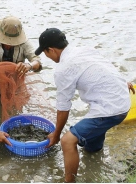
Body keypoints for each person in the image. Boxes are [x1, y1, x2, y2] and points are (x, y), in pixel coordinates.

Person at [35, 28, 135, 182]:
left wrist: (56, 135)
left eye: (45, 53)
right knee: (91, 146)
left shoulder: (63, 69)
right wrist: (122, 83)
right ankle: (95, 160)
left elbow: (63, 108)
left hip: (112, 109)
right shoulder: (85, 50)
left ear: (51, 50)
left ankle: (69, 181)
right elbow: (106, 68)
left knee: (67, 141)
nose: (47, 57)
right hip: (121, 98)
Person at [0, 15, 42, 94]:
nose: (9, 44)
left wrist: (29, 66)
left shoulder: (25, 44)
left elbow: (37, 61)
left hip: (18, 90)